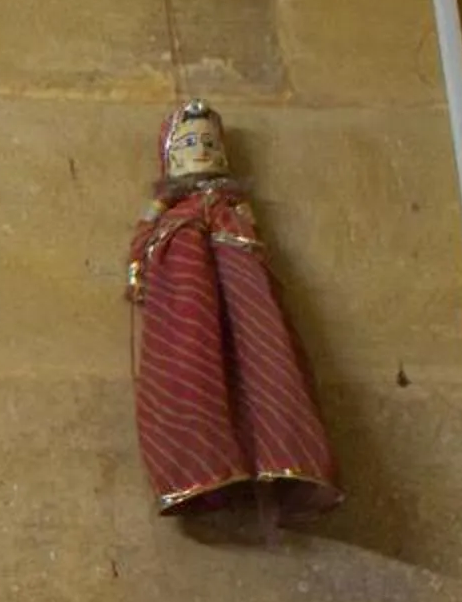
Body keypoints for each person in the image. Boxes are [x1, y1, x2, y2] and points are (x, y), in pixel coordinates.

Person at [125, 101, 341, 520]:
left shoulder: (229, 206)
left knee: (265, 358)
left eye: (208, 142)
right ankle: (200, 460)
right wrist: (139, 266)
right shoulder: (174, 211)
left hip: (240, 278)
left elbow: (254, 236)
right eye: (189, 143)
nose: (200, 151)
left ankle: (281, 448)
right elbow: (143, 231)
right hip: (185, 282)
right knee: (190, 358)